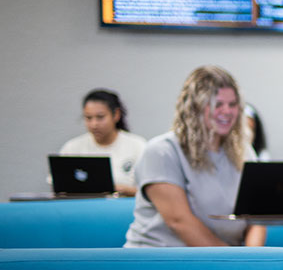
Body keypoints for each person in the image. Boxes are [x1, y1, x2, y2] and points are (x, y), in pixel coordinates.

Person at [124, 65, 264, 247]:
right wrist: (235, 263)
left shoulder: (243, 151)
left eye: (232, 104)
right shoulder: (162, 151)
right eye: (217, 104)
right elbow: (180, 221)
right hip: (164, 259)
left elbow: (257, 217)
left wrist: (254, 260)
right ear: (195, 107)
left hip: (227, 260)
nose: (227, 112)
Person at [58, 89, 147, 196]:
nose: (94, 124)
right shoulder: (72, 148)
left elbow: (151, 191)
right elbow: (59, 188)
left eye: (100, 117)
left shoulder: (138, 146)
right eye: (88, 118)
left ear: (116, 115)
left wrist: (123, 189)